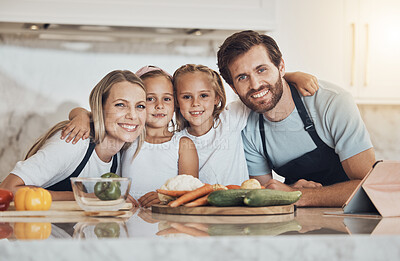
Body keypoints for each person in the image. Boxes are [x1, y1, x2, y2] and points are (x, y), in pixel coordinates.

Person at [216, 30, 376, 207]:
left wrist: (299, 195)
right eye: (243, 77)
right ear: (233, 87)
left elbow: (369, 186)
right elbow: (262, 196)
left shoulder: (332, 102)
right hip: (296, 222)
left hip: (351, 217)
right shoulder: (246, 127)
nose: (255, 84)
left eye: (262, 70)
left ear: (281, 67)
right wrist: (289, 190)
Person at [63, 66, 199, 208]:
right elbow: (93, 115)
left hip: (165, 224)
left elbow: (191, 192)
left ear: (175, 103)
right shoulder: (127, 137)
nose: (159, 105)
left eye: (166, 98)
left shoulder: (183, 145)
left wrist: (166, 197)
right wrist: (81, 116)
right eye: (150, 99)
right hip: (126, 218)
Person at [0, 70, 147, 201]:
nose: (133, 115)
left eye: (140, 106)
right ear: (99, 108)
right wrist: (83, 196)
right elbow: (7, 190)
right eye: (120, 104)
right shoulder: (73, 141)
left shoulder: (120, 155)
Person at [172, 64, 319, 185]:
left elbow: (259, 89)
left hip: (240, 210)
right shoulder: (176, 143)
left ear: (217, 97)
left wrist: (292, 76)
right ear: (177, 101)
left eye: (204, 95)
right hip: (202, 212)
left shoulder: (230, 119)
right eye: (186, 97)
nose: (195, 103)